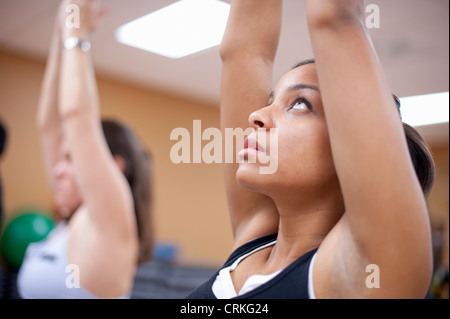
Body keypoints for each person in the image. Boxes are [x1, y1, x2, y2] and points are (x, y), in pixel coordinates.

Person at [188, 0, 435, 299]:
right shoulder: (254, 236)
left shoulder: (362, 275)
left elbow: (334, 17)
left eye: (299, 104)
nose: (256, 116)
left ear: (349, 149)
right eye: (270, 102)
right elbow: (245, 52)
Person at [17, 0, 153, 299]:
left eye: (71, 158)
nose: (57, 169)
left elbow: (75, 115)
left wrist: (76, 32)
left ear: (114, 167)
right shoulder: (70, 223)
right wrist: (60, 32)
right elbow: (50, 127)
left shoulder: (109, 219)